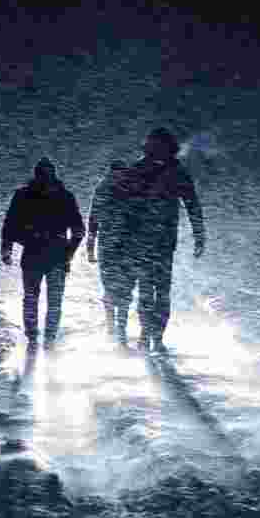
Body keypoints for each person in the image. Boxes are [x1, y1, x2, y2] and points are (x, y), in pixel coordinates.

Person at [120, 127, 205, 354]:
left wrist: (199, 234)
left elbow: (192, 203)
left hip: (156, 243)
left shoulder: (144, 170)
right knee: (154, 291)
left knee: (153, 291)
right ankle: (150, 336)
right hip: (152, 242)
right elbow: (192, 204)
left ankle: (151, 336)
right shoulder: (163, 171)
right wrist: (199, 234)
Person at [1, 157, 85, 350]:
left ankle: (35, 337)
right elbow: (79, 230)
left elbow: (10, 225)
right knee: (50, 299)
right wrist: (69, 251)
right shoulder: (64, 196)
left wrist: (7, 248)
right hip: (54, 253)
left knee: (33, 297)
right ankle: (46, 338)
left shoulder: (24, 195)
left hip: (36, 252)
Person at [86, 160, 135, 346]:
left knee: (123, 287)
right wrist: (90, 247)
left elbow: (93, 219)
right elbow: (93, 220)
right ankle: (113, 326)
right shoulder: (106, 188)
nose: (119, 177)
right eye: (117, 174)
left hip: (122, 245)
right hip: (112, 245)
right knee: (115, 286)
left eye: (122, 174)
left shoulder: (127, 189)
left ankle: (117, 327)